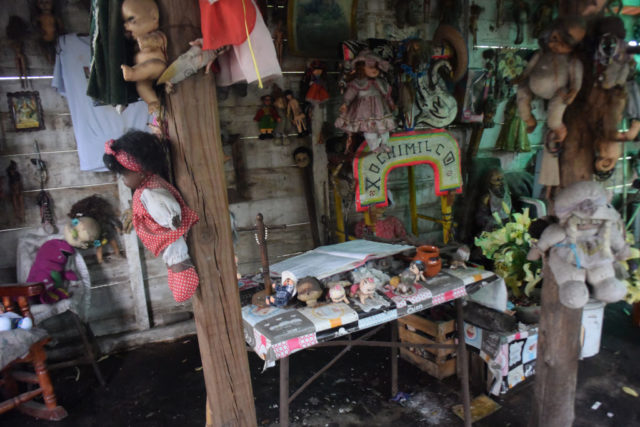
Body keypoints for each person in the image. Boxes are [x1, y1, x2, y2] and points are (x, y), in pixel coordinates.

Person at [103, 131, 199, 302]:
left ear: (139, 172)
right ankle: (176, 272)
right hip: (162, 236)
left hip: (168, 234)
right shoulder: (144, 187)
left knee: (175, 252)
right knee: (169, 255)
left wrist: (171, 219)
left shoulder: (151, 191)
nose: (123, 180)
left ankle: (184, 274)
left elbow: (165, 208)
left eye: (124, 175)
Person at [335, 50, 396, 153]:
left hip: (380, 109)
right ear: (361, 68)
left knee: (384, 128)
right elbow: (350, 94)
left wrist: (391, 103)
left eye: (377, 67)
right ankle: (374, 147)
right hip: (364, 111)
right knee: (369, 130)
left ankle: (384, 143)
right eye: (371, 67)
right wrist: (346, 103)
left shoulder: (380, 82)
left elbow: (386, 95)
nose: (375, 70)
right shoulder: (358, 83)